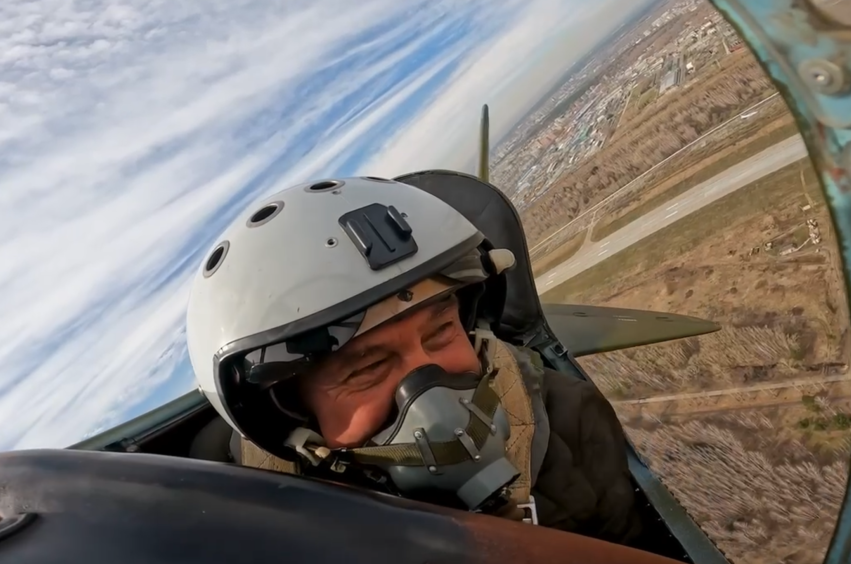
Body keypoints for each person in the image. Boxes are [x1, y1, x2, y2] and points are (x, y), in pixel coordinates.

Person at [185, 176, 646, 547]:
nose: (428, 390)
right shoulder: (244, 536)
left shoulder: (566, 417)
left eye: (441, 331)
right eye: (366, 369)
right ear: (290, 416)